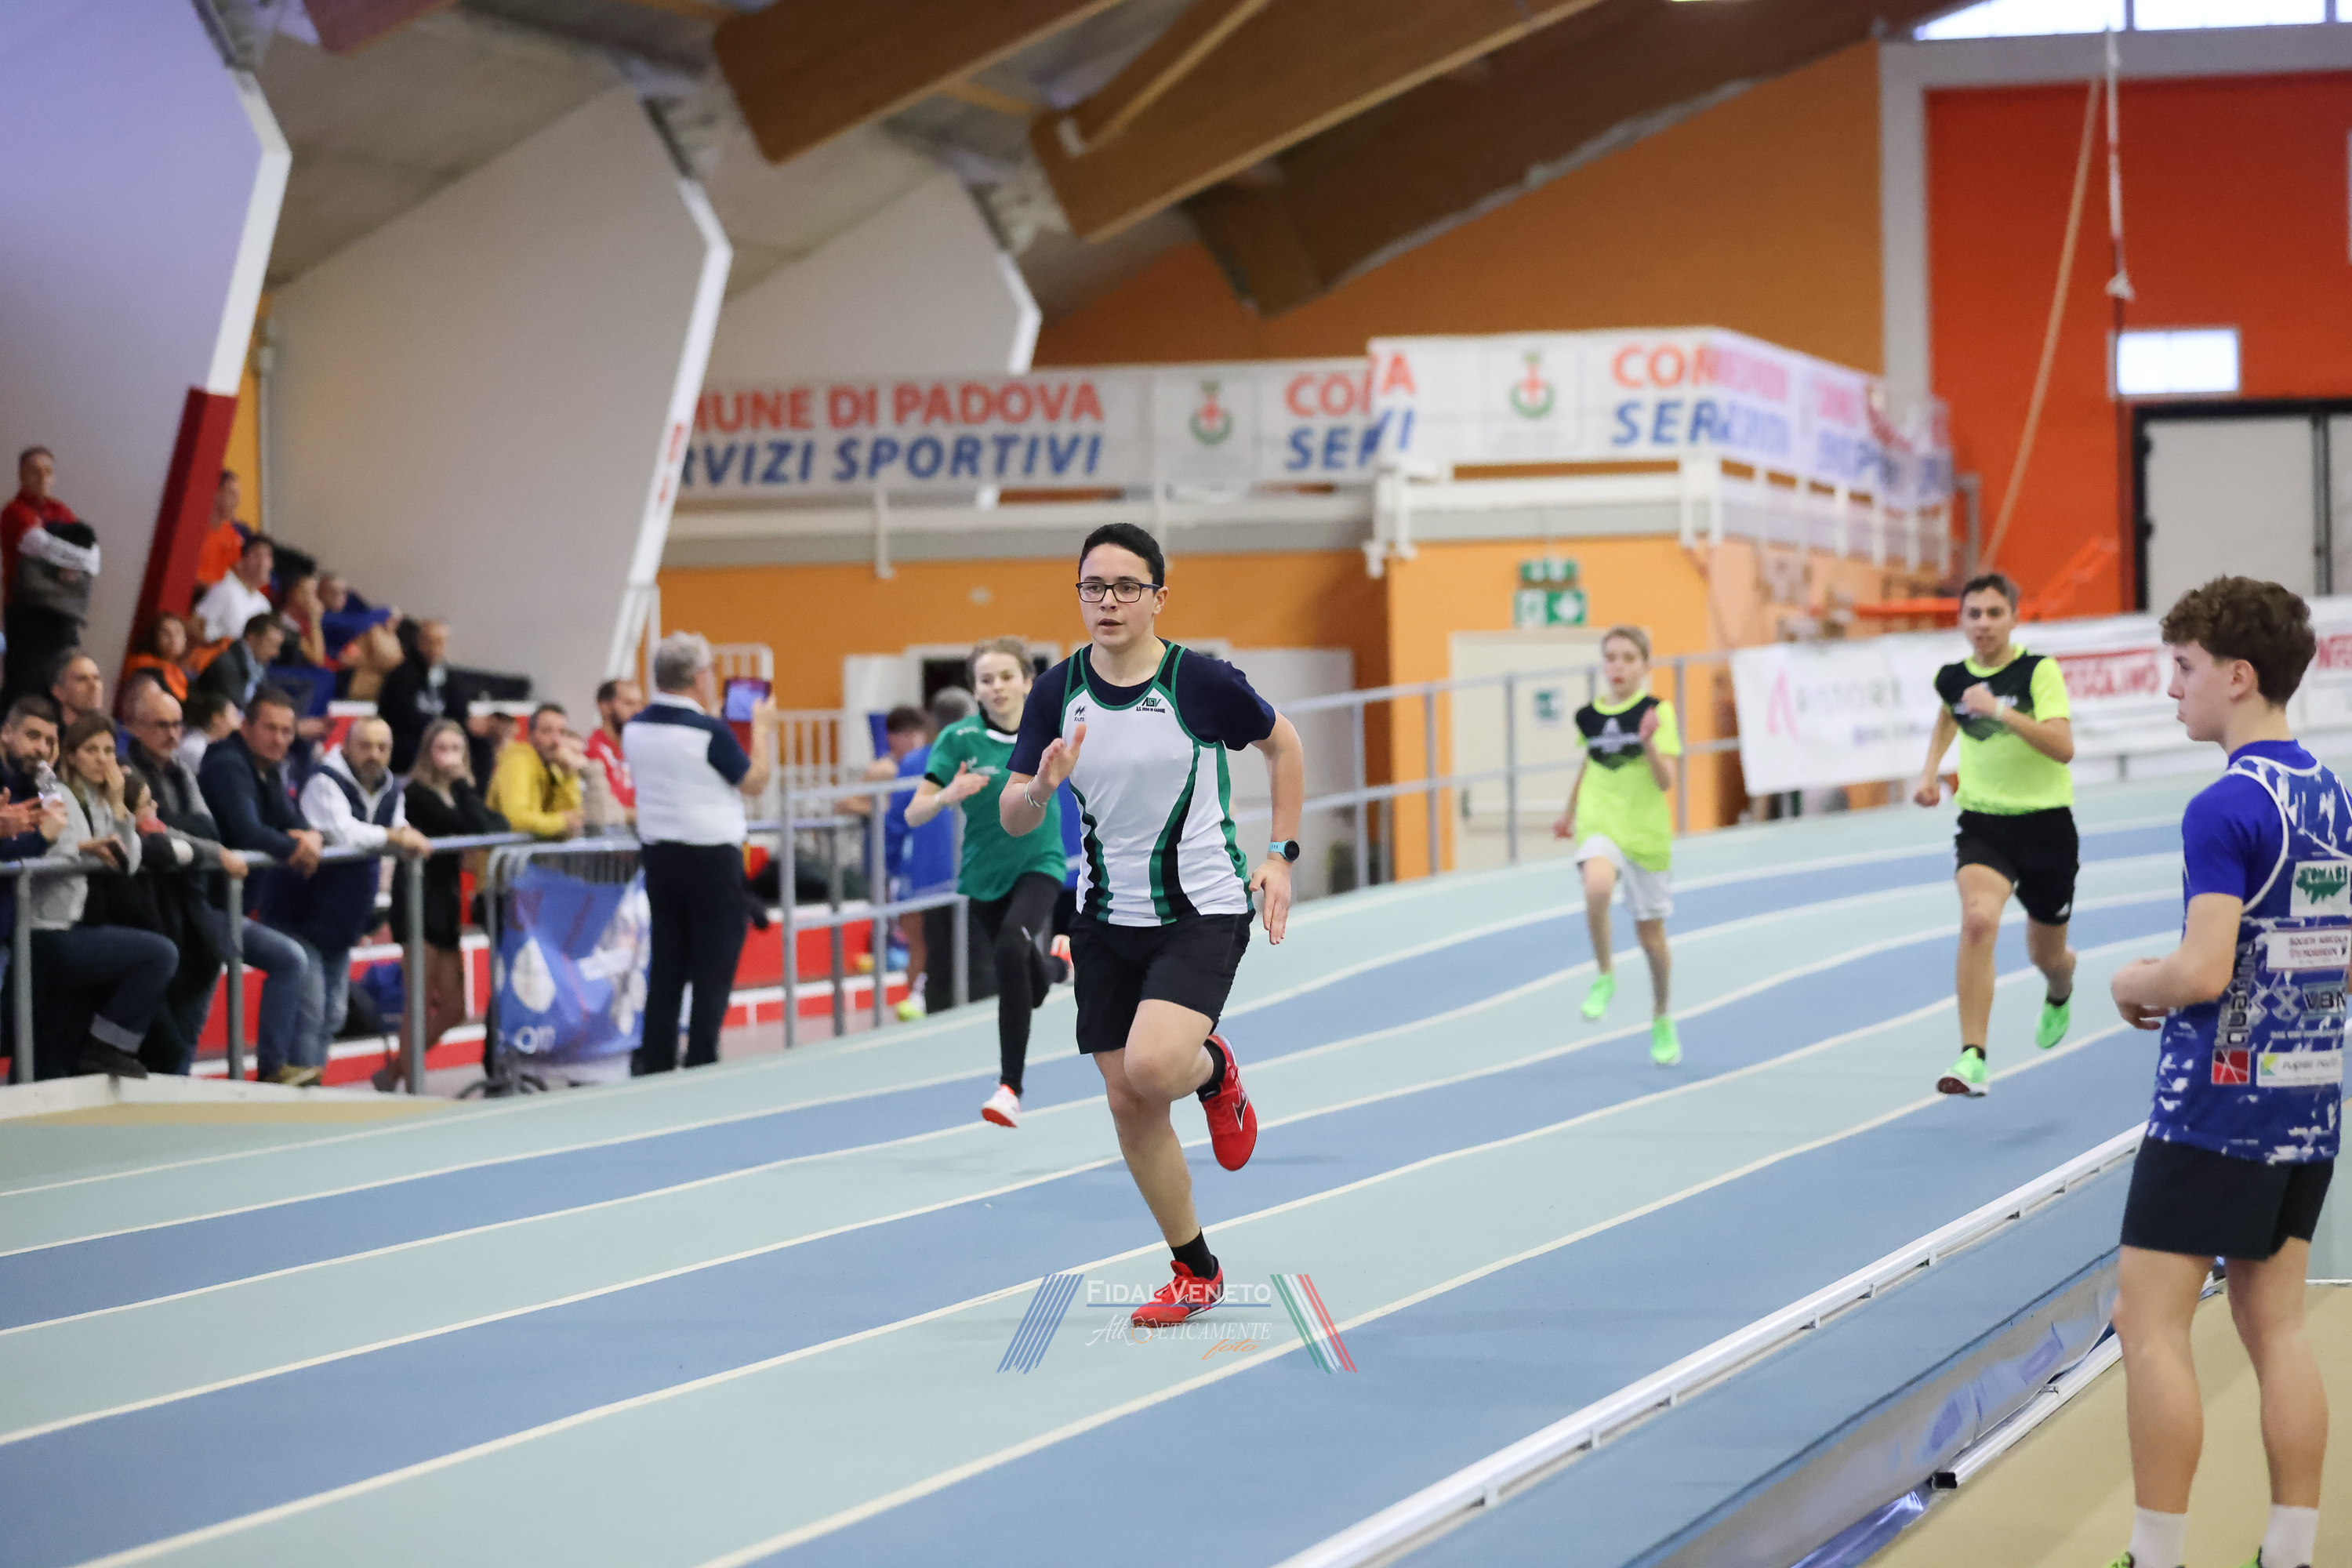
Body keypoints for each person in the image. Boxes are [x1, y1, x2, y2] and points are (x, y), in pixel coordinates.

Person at [1002, 523, 1304, 1327]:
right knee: (1128, 1099)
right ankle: (1195, 1269)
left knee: (1155, 1065)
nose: (1107, 601)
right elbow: (1012, 812)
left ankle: (1211, 1070)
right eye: (1092, 586)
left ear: (1158, 597)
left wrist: (1280, 855)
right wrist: (1042, 787)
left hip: (1201, 908)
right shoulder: (1056, 691)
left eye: (1126, 586)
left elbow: (1285, 746)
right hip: (1104, 916)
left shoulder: (1199, 681)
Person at [2103, 578, 2339, 1568]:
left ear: (2238, 676)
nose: (2173, 688)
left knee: (2147, 1322)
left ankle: (2155, 1555)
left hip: (2216, 1107)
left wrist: (2133, 980)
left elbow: (2201, 971)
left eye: (2186, 667)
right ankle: (2291, 1550)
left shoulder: (2226, 805)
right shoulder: (2333, 794)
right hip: (2309, 1098)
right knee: (2277, 1326)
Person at [1913, 572, 2079, 1098]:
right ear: (1961, 621)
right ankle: (1973, 1058)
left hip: (2046, 826)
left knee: (2047, 956)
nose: (1983, 623)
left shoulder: (2038, 671)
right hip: (1984, 823)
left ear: (2014, 617)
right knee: (1978, 921)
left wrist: (2000, 711)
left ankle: (2061, 985)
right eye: (1973, 614)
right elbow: (1949, 718)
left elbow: (2062, 747)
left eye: (1994, 613)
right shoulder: (1952, 678)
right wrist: (1928, 773)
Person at [905, 641, 1069, 1127]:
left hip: (1040, 862)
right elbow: (914, 813)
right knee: (1029, 983)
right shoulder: (958, 739)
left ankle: (1009, 1088)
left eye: (1006, 677)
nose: (997, 687)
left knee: (1009, 948)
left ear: (1027, 681)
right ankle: (1056, 968)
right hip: (983, 876)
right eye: (986, 680)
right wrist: (947, 795)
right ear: (975, 689)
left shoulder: (1050, 729)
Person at [626, 632, 775, 1074]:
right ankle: (702, 1056)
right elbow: (754, 781)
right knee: (714, 961)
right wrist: (761, 730)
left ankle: (656, 1058)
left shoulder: (636, 727)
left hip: (660, 854)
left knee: (668, 961)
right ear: (697, 677)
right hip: (712, 856)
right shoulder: (709, 731)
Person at [1552, 626, 1685, 1065]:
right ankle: (1605, 974)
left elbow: (1665, 782)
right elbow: (1589, 762)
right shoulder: (1588, 716)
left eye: (1629, 658)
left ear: (1645, 666)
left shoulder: (1657, 712)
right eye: (1611, 657)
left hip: (1644, 831)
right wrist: (1569, 812)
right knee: (1597, 886)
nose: (1618, 666)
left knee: (1651, 939)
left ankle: (1661, 1014)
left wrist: (1647, 742)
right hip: (1600, 820)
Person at [124, 683, 268, 1076]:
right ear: (135, 726)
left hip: (194, 908)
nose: (173, 735)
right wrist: (208, 850)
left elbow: (207, 827)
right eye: (162, 725)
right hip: (151, 908)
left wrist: (182, 835)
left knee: (187, 1030)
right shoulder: (125, 773)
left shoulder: (182, 771)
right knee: (162, 1039)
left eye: (178, 725)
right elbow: (151, 835)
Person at [27, 714, 180, 1079]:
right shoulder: (53, 788)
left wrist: (118, 807)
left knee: (60, 1038)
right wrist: (89, 848)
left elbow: (129, 863)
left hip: (83, 924)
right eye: (91, 750)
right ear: (72, 756)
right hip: (49, 929)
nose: (102, 759)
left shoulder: (102, 799)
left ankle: (103, 1048)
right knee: (159, 954)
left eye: (109, 751)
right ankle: (108, 1046)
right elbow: (55, 847)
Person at [273, 717, 428, 1059]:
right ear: (345, 746)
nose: (375, 754)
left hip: (343, 923)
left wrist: (401, 835)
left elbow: (398, 829)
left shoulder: (390, 787)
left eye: (383, 747)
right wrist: (394, 837)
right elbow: (344, 833)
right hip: (301, 916)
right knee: (311, 1014)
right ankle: (295, 1085)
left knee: (334, 1014)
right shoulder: (323, 780)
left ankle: (313, 1081)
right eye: (365, 745)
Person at [199, 687, 330, 1085]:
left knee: (191, 1012)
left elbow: (288, 819)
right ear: (246, 727)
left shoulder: (267, 767)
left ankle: (273, 1069)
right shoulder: (227, 763)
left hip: (228, 905)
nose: (279, 739)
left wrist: (310, 836)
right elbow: (248, 830)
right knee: (287, 960)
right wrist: (297, 846)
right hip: (202, 905)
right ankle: (272, 1070)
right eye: (270, 728)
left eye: (287, 731)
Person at [381, 718, 507, 1092]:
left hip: (446, 899)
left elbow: (494, 826)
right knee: (418, 1001)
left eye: (456, 749)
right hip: (418, 897)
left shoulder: (460, 791)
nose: (450, 758)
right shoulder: (418, 793)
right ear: (427, 753)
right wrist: (463, 786)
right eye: (442, 749)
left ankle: (393, 1073)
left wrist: (464, 789)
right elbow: (474, 828)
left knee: (455, 1007)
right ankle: (410, 1086)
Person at [2, 446, 82, 708]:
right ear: (21, 475)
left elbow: (86, 555)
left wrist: (69, 558)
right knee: (24, 687)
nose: (42, 477)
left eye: (47, 471)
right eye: (34, 471)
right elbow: (47, 550)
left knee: (64, 684)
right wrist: (65, 559)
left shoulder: (61, 511)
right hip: (28, 614)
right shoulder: (14, 512)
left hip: (61, 612)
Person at [376, 619, 485, 775]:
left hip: (444, 736)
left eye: (441, 642)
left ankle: (466, 786)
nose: (436, 648)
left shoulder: (450, 677)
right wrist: (435, 731)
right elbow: (399, 717)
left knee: (480, 746)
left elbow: (460, 711)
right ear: (420, 643)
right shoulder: (401, 677)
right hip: (412, 742)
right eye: (431, 641)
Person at [487, 703, 584, 840]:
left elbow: (572, 816)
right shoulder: (518, 762)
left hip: (534, 850)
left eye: (562, 732)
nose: (556, 740)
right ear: (531, 736)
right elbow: (516, 820)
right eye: (547, 731)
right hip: (506, 851)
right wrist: (562, 822)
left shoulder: (554, 767)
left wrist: (568, 775)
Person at [194, 534, 276, 645]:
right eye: (258, 556)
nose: (263, 563)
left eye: (268, 557)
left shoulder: (264, 606)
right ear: (242, 560)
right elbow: (197, 623)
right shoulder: (225, 589)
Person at [196, 612, 286, 711]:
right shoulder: (226, 663)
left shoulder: (259, 668)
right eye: (271, 644)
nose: (276, 653)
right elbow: (236, 706)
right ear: (252, 638)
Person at [585, 678, 641, 826]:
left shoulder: (635, 749)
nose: (637, 711)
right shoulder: (593, 750)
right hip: (613, 832)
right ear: (605, 707)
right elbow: (606, 806)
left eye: (639, 704)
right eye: (628, 704)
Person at [193, 470, 252, 589]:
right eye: (232, 494)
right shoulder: (194, 531)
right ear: (215, 494)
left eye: (238, 496)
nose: (237, 501)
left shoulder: (233, 537)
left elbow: (240, 578)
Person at [123, 615, 192, 704]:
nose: (173, 638)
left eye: (177, 632)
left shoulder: (179, 674)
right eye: (166, 633)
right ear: (154, 636)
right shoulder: (144, 667)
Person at [176, 691, 238, 774]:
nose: (238, 723)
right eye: (234, 716)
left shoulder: (212, 746)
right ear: (217, 718)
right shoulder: (196, 749)